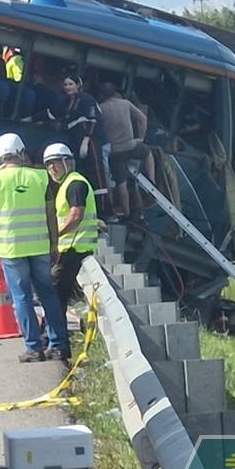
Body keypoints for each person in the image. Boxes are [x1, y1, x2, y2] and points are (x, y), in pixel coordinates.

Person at [0, 133, 70, 362]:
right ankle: (59, 344)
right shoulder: (40, 177)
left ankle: (33, 347)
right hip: (39, 245)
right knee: (48, 294)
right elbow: (50, 212)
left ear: (0, 157)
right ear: (21, 153)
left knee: (22, 298)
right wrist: (54, 243)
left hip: (11, 249)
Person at [43, 143, 97, 319]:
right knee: (59, 296)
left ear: (68, 162)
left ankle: (52, 339)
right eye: (48, 164)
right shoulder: (67, 184)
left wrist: (54, 236)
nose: (52, 168)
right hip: (71, 249)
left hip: (74, 249)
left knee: (54, 296)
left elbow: (76, 215)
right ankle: (57, 340)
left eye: (56, 163)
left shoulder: (75, 184)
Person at [45, 75, 109, 213]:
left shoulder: (87, 100)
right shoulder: (66, 102)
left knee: (97, 174)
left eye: (71, 84)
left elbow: (92, 120)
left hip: (92, 142)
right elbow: (53, 114)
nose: (68, 87)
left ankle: (104, 210)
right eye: (66, 84)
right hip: (76, 141)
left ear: (78, 85)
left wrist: (86, 140)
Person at [97, 82, 154, 221]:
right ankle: (151, 180)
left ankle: (126, 213)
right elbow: (143, 119)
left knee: (121, 183)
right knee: (148, 153)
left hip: (114, 151)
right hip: (130, 146)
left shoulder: (100, 108)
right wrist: (140, 138)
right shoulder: (125, 104)